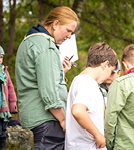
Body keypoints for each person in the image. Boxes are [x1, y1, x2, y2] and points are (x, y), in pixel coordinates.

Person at [15, 6, 79, 149]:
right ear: (55, 24)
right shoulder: (46, 46)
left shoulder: (30, 40)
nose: (69, 36)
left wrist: (60, 72)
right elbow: (48, 91)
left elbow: (36, 78)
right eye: (68, 30)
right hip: (48, 120)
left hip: (37, 118)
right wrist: (63, 119)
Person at [65, 42, 118, 149]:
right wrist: (97, 135)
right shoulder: (87, 82)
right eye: (111, 71)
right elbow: (78, 111)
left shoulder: (79, 79)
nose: (108, 76)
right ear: (105, 64)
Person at [0, 46, 18, 150]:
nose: (0, 59)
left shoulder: (5, 72)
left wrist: (13, 105)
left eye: (1, 57)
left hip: (4, 110)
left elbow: (11, 89)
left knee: (3, 133)